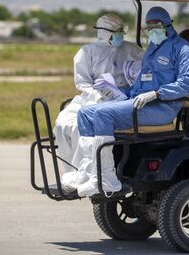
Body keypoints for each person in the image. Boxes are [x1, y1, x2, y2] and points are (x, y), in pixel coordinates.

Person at [63, 7, 189, 197]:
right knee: (85, 113)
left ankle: (107, 178)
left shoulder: (184, 50)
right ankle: (90, 172)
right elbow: (143, 79)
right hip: (140, 102)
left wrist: (157, 94)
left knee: (103, 114)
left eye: (156, 26)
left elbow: (185, 85)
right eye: (148, 27)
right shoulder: (152, 48)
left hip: (162, 107)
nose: (152, 31)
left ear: (168, 25)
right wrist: (121, 93)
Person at [53, 13, 143, 178]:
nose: (119, 36)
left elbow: (143, 75)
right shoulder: (87, 52)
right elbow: (82, 82)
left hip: (126, 99)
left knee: (86, 124)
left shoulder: (133, 50)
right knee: (64, 124)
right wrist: (97, 95)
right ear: (103, 32)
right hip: (94, 97)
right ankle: (77, 172)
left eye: (121, 31)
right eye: (116, 32)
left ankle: (97, 173)